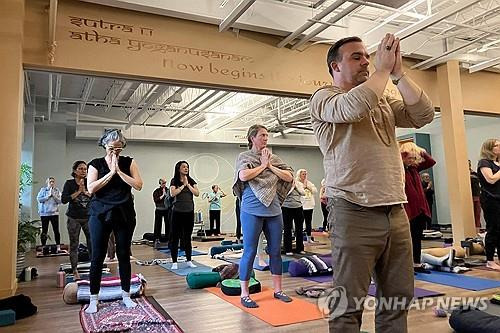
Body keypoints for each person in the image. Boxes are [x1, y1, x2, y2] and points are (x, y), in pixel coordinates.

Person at [310, 34, 434, 332]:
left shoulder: (383, 97)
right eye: (356, 57)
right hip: (353, 210)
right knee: (348, 304)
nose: (366, 61)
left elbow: (423, 114)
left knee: (397, 299)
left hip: (395, 211)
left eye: (367, 56)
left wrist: (398, 73)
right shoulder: (324, 99)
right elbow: (353, 107)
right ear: (335, 67)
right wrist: (381, 71)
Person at [233, 124, 294, 308]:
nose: (266, 138)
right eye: (262, 135)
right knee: (250, 251)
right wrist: (262, 166)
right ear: (252, 138)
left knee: (275, 251)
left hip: (274, 210)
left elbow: (289, 177)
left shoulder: (274, 158)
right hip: (251, 209)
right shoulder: (244, 157)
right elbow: (243, 176)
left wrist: (270, 166)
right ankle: (244, 293)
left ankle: (278, 290)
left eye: (267, 135)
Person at [85, 129, 143, 314]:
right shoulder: (95, 164)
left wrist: (118, 171)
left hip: (124, 211)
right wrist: (110, 173)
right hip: (99, 212)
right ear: (104, 145)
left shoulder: (129, 162)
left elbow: (138, 185)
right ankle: (94, 298)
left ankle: (126, 296)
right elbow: (91, 188)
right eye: (111, 148)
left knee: (124, 254)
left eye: (118, 149)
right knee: (97, 256)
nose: (115, 152)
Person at [400, 142, 436, 269]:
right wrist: (406, 149)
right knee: (407, 239)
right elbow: (399, 156)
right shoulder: (399, 170)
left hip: (420, 209)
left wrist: (419, 150)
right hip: (409, 210)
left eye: (413, 158)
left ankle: (416, 262)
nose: (411, 160)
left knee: (417, 238)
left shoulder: (415, 169)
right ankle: (407, 264)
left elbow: (431, 161)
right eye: (408, 158)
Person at [61, 161, 92, 279]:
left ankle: (94, 268)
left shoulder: (90, 182)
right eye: (81, 169)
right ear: (74, 171)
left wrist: (85, 192)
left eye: (85, 169)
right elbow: (64, 200)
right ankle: (75, 271)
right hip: (74, 218)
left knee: (92, 244)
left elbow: (96, 198)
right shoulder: (69, 183)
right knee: (74, 244)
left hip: (89, 217)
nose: (84, 171)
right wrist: (79, 191)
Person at [169, 161, 199, 270]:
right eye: (184, 167)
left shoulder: (191, 181)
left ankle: (189, 260)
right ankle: (174, 261)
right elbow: (172, 193)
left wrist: (188, 185)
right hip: (177, 212)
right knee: (175, 237)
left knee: (187, 237)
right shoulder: (174, 181)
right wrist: (182, 186)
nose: (186, 168)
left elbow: (197, 193)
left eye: (187, 167)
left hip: (189, 212)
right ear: (178, 169)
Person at [477, 139, 500, 271]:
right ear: (490, 149)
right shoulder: (484, 163)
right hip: (490, 199)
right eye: (497, 145)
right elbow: (490, 179)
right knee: (493, 229)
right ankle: (490, 260)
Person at [37, 177, 62, 250]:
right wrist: (48, 196)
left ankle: (58, 246)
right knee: (44, 230)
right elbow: (39, 199)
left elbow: (60, 201)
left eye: (53, 182)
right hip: (44, 214)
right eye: (50, 181)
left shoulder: (57, 190)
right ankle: (43, 246)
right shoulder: (43, 190)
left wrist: (53, 195)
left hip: (54, 214)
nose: (52, 183)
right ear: (47, 182)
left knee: (56, 230)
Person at [281, 179, 305, 255]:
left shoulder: (299, 184)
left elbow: (303, 193)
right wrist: (292, 188)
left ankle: (300, 248)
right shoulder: (283, 184)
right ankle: (288, 249)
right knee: (287, 229)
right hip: (286, 207)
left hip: (298, 207)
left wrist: (296, 187)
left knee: (299, 229)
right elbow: (283, 195)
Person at [297, 169, 318, 243]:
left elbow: (315, 191)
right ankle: (299, 239)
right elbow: (298, 191)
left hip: (309, 205)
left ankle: (309, 238)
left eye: (306, 174)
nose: (305, 175)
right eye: (303, 174)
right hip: (301, 205)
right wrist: (303, 187)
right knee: (300, 223)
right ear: (299, 175)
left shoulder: (309, 183)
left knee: (308, 222)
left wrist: (307, 187)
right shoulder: (297, 183)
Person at [153, 178, 170, 247]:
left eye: (165, 183)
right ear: (160, 184)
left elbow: (171, 198)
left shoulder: (168, 190)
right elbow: (156, 200)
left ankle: (168, 238)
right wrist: (163, 195)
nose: (164, 184)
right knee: (158, 225)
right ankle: (157, 239)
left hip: (166, 209)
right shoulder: (156, 191)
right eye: (163, 183)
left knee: (168, 224)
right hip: (159, 209)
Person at [469, 160, 482, 232]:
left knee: (477, 214)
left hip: (476, 196)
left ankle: (477, 231)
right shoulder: (461, 176)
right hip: (467, 198)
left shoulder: (475, 174)